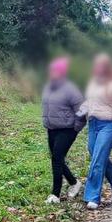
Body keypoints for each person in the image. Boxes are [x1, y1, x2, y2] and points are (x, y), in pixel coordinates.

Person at [81, 53, 112, 210]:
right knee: (96, 156)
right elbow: (88, 102)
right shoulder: (93, 83)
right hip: (93, 124)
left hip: (109, 125)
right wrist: (76, 116)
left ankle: (92, 196)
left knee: (98, 160)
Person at [41, 57, 84, 203]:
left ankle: (55, 195)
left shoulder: (70, 89)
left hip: (67, 129)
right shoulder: (48, 86)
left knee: (57, 159)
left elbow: (82, 110)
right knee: (57, 158)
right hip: (52, 128)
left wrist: (76, 128)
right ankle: (74, 183)